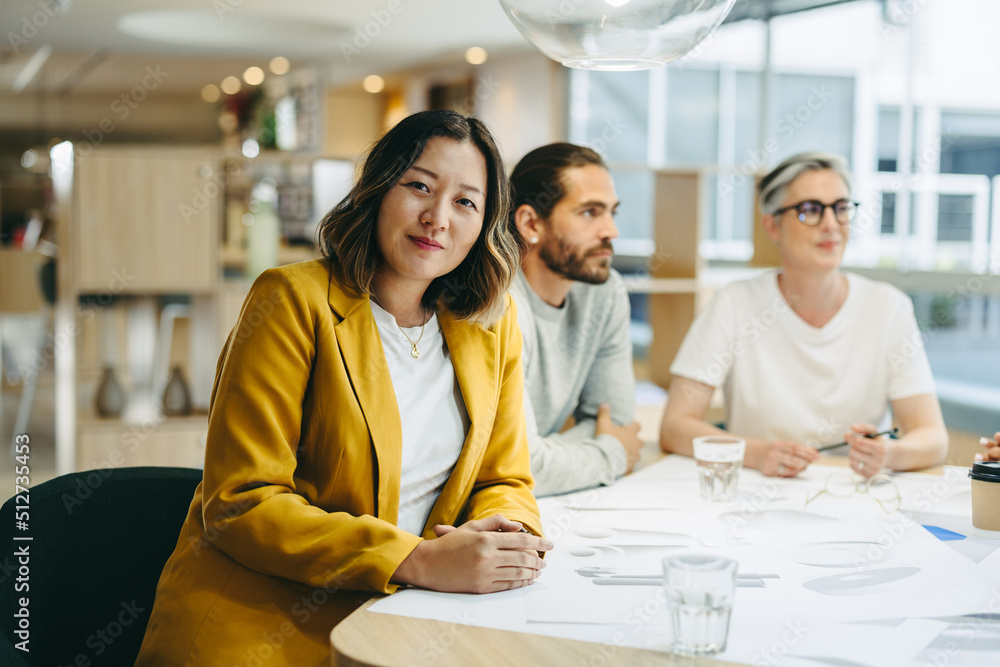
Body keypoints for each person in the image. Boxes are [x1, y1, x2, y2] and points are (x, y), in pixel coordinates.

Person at [137, 110, 552, 665]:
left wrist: (508, 543)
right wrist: (418, 560)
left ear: (484, 224)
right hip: (260, 626)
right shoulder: (291, 300)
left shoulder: (492, 322)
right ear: (379, 190)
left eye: (465, 202)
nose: (437, 218)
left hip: (402, 619)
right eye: (419, 186)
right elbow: (242, 503)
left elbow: (504, 476)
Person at [660, 152, 949, 478]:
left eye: (841, 208)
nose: (830, 224)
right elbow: (675, 426)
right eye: (810, 210)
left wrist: (889, 454)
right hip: (758, 491)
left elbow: (933, 438)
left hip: (854, 496)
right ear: (773, 225)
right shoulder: (734, 303)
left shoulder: (888, 306)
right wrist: (757, 453)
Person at [508, 143, 642, 496]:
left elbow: (617, 421)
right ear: (530, 223)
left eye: (612, 212)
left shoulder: (604, 291)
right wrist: (611, 452)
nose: (610, 230)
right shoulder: (500, 305)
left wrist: (553, 457)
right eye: (590, 213)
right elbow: (518, 467)